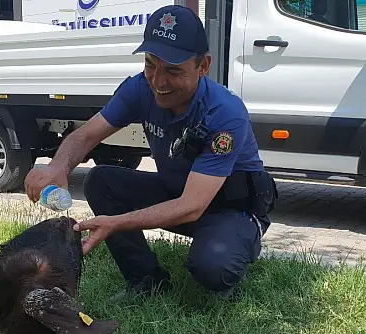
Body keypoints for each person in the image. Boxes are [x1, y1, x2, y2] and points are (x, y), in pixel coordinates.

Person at [24, 5, 277, 300]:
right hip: (180, 193)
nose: (158, 81)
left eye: (173, 70)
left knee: (214, 268)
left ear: (203, 66)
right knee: (101, 181)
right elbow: (86, 134)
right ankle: (146, 280)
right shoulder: (139, 88)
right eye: (150, 63)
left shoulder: (225, 113)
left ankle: (238, 242)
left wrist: (115, 223)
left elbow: (193, 205)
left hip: (231, 207)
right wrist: (58, 166)